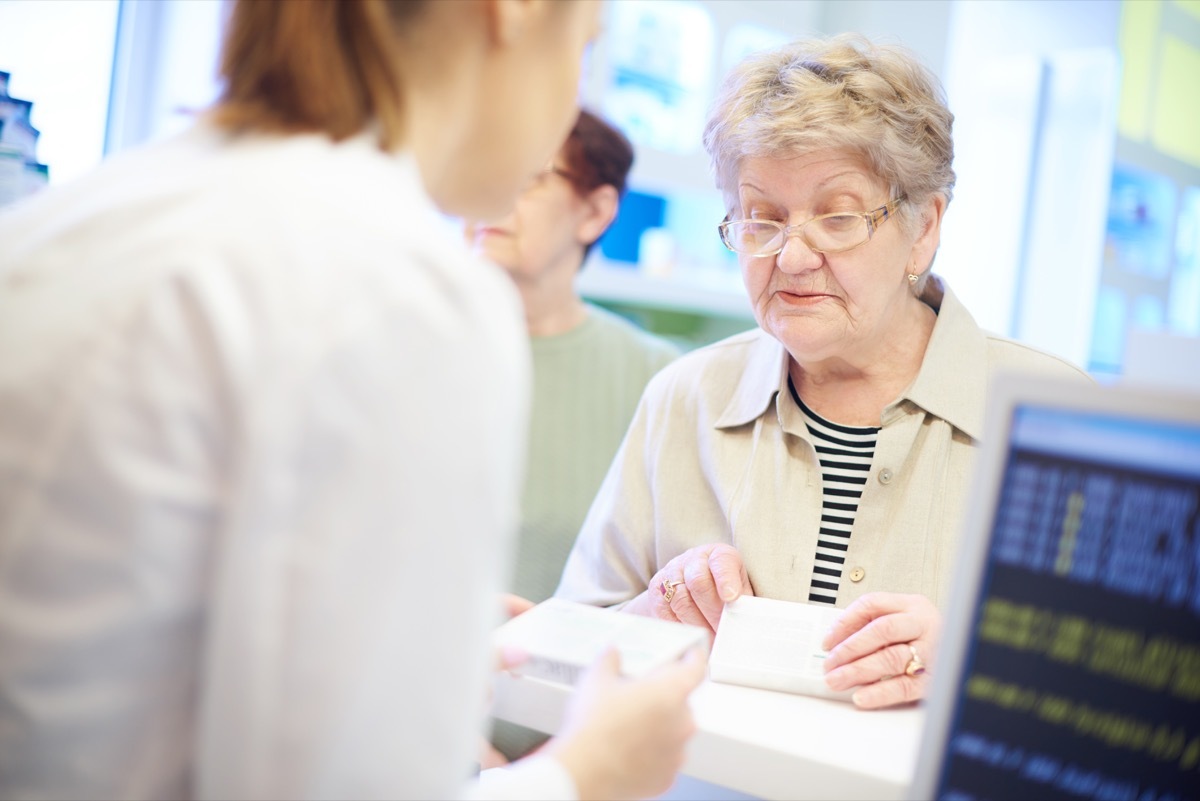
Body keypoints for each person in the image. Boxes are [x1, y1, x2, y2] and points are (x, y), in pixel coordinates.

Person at [0, 2, 704, 800]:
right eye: (583, 43)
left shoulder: (85, 215)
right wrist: (588, 771)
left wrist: (384, 644)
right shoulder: (397, 287)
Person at [554, 33, 1092, 710]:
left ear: (923, 227)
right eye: (761, 218)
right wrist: (650, 616)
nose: (792, 256)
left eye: (837, 218)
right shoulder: (685, 397)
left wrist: (978, 660)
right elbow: (564, 649)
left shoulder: (1056, 414)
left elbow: (1131, 700)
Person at [468, 109, 680, 605]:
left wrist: (567, 633)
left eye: (525, 178)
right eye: (478, 174)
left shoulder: (656, 378)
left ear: (595, 212)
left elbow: (667, 580)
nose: (489, 199)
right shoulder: (406, 347)